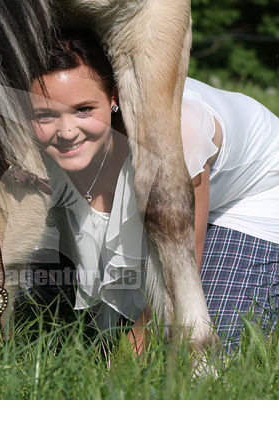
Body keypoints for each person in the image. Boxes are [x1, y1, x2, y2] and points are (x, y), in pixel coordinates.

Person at [29, 31, 279, 354]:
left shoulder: (178, 131)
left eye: (84, 109)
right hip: (160, 199)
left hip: (252, 197)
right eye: (46, 114)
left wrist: (124, 363)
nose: (66, 132)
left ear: (114, 97)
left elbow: (180, 274)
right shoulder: (33, 139)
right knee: (55, 313)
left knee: (202, 340)